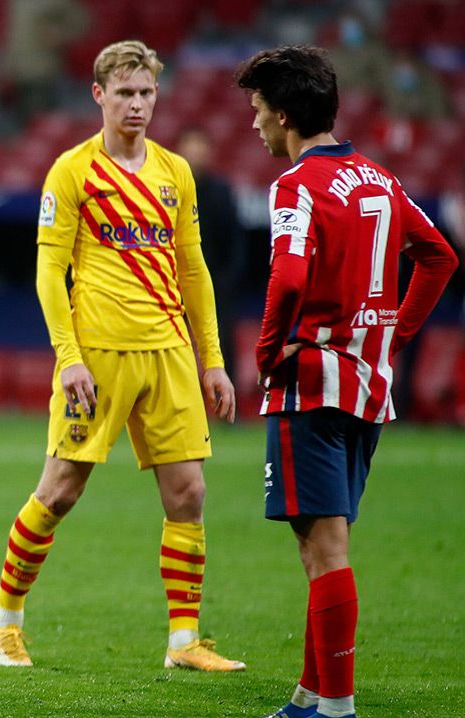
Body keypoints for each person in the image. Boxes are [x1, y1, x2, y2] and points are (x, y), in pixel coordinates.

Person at [0, 40, 244, 673]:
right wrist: (68, 357)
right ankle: (4, 619)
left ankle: (184, 642)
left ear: (158, 95)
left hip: (170, 352)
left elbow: (194, 270)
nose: (136, 104)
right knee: (61, 490)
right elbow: (49, 273)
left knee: (188, 494)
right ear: (98, 95)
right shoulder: (71, 171)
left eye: (146, 92)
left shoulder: (176, 173)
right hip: (98, 355)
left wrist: (212, 359)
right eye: (124, 92)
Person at [234, 46, 458, 718]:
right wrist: (395, 333)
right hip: (368, 388)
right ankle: (310, 696)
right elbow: (439, 256)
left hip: (311, 383)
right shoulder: (380, 182)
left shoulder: (295, 187)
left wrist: (268, 351)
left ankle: (336, 708)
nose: (254, 127)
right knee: (323, 545)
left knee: (324, 549)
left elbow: (292, 276)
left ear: (283, 113)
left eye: (257, 113)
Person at [177, 126, 247, 383]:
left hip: (216, 284)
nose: (195, 153)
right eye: (190, 147)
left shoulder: (221, 191)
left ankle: (231, 404)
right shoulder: (170, 189)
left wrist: (227, 281)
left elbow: (235, 241)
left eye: (200, 147)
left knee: (223, 341)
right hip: (175, 284)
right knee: (173, 346)